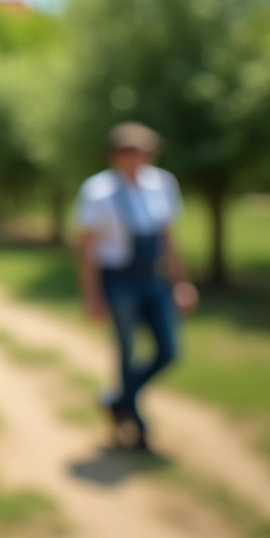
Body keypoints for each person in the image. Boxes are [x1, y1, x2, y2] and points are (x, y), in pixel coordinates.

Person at [74, 121, 198, 451]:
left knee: (169, 350)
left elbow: (168, 239)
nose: (138, 157)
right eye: (130, 150)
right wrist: (93, 295)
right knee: (126, 351)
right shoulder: (97, 191)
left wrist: (181, 283)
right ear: (115, 154)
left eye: (144, 150)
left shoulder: (162, 185)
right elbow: (87, 248)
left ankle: (118, 399)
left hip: (153, 277)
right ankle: (137, 424)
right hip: (119, 279)